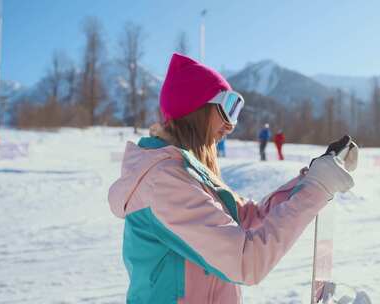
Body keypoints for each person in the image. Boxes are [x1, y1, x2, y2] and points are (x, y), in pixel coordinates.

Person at [108, 53, 359, 304]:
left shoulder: (189, 175)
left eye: (236, 112)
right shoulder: (163, 183)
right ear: (196, 108)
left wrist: (311, 179)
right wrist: (317, 188)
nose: (231, 126)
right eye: (228, 108)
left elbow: (253, 217)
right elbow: (245, 262)